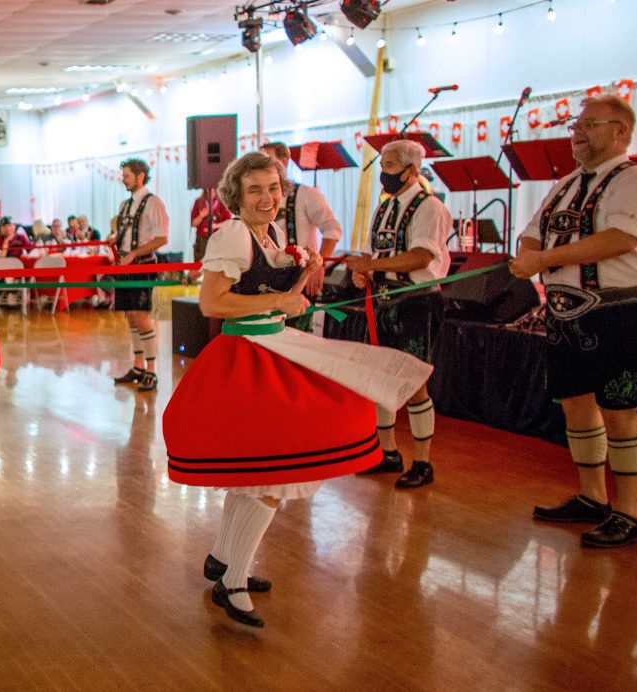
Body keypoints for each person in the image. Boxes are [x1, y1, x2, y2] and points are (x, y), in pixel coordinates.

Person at [163, 152, 431, 628]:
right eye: (255, 191)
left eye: (273, 188)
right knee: (276, 470)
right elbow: (212, 303)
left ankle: (225, 559)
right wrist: (281, 298)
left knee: (258, 468)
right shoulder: (232, 234)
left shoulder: (272, 234)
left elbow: (273, 297)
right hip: (249, 358)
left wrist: (303, 277)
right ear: (236, 197)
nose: (268, 199)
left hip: (272, 348)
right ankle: (234, 579)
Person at [510, 94, 637, 547]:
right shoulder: (567, 183)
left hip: (621, 311)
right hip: (565, 313)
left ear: (621, 131)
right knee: (576, 405)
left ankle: (627, 513)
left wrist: (545, 259)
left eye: (589, 125)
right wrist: (527, 256)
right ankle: (592, 496)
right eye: (576, 124)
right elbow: (532, 230)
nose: (577, 132)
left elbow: (621, 238)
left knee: (620, 410)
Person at [344, 139, 451, 489]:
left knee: (414, 383)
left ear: (412, 170)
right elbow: (380, 252)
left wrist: (373, 264)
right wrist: (366, 272)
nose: (384, 173)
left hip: (417, 301)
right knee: (380, 378)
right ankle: (386, 451)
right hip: (384, 300)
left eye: (390, 165)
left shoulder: (429, 207)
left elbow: (421, 257)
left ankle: (423, 461)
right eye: (383, 165)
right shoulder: (385, 208)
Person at [111, 159, 169, 392]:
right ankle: (137, 366)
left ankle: (152, 371)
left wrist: (134, 252)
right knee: (131, 316)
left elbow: (162, 238)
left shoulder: (153, 202)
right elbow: (123, 232)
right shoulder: (126, 205)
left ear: (140, 176)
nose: (123, 179)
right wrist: (115, 238)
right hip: (125, 266)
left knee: (142, 316)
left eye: (126, 175)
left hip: (143, 266)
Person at [261, 142, 344, 304]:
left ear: (283, 162)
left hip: (301, 280)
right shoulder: (259, 199)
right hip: (269, 282)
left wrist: (319, 265)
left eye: (267, 160)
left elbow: (332, 230)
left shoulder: (306, 194)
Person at [190, 188, 231, 263]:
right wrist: (201, 216)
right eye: (207, 190)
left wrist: (215, 226)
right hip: (202, 240)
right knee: (199, 265)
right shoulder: (199, 202)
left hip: (218, 239)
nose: (210, 192)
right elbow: (193, 224)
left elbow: (229, 223)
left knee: (216, 265)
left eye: (212, 190)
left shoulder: (222, 203)